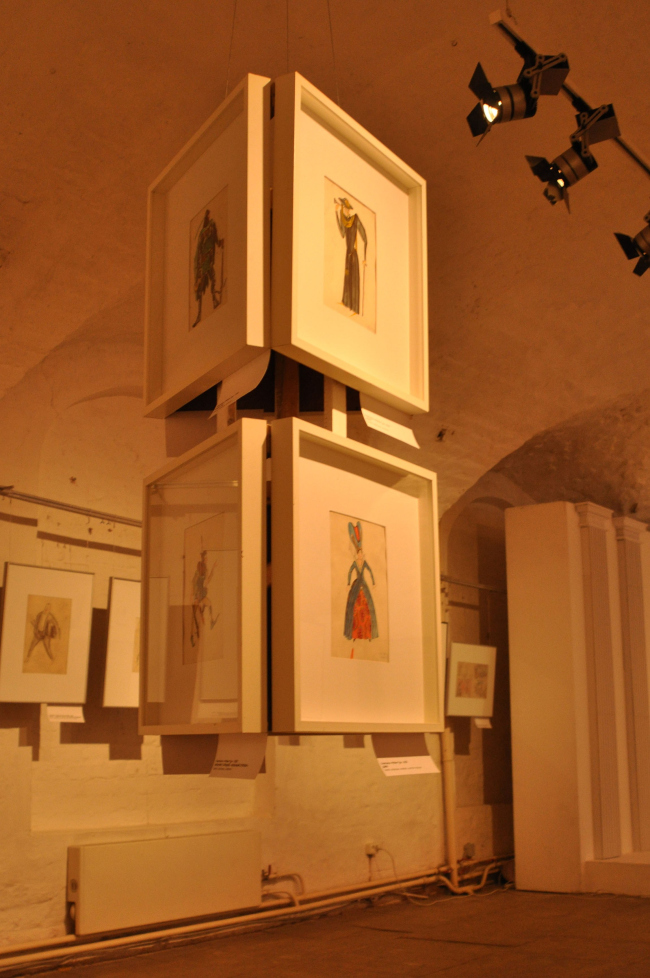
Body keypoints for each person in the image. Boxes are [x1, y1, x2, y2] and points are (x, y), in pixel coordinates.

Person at [344, 521, 378, 646]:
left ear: (362, 554)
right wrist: (348, 584)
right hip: (356, 586)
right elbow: (349, 572)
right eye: (358, 553)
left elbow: (370, 571)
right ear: (357, 554)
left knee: (367, 609)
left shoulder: (364, 563)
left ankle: (368, 634)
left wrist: (373, 583)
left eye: (361, 553)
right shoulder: (354, 563)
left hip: (364, 585)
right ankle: (354, 635)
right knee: (355, 609)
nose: (360, 555)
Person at [191, 208, 224, 328]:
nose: (209, 217)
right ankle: (199, 315)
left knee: (213, 280)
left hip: (209, 263)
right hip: (203, 265)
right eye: (208, 216)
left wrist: (221, 242)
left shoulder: (212, 227)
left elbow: (216, 241)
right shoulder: (203, 233)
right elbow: (200, 251)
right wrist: (199, 269)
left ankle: (215, 301)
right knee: (200, 290)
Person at [334, 197, 367, 315]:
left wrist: (365, 257)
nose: (346, 210)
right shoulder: (346, 221)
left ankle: (354, 308)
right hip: (347, 255)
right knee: (347, 279)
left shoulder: (355, 219)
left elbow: (364, 237)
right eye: (344, 208)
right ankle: (346, 303)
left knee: (353, 282)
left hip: (353, 255)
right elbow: (342, 233)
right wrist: (336, 213)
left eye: (346, 208)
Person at [190, 550, 219, 648]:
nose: (207, 559)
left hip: (202, 595)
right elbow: (194, 582)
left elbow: (207, 580)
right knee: (194, 616)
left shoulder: (205, 569)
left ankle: (211, 621)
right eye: (206, 558)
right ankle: (192, 636)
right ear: (203, 558)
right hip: (197, 595)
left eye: (207, 558)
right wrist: (194, 595)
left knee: (209, 604)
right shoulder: (199, 569)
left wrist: (213, 568)